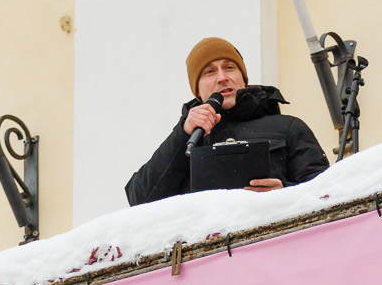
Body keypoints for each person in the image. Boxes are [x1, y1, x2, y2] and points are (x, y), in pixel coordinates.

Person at [125, 37, 330, 206]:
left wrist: (285, 193)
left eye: (229, 67)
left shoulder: (288, 127)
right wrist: (183, 133)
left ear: (243, 78)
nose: (222, 77)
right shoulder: (187, 138)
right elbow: (139, 200)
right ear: (197, 91)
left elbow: (326, 194)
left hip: (274, 240)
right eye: (210, 71)